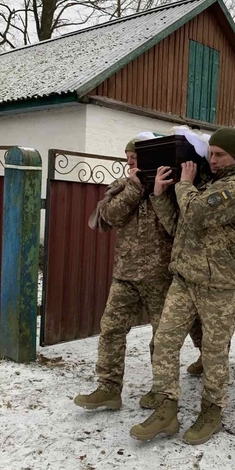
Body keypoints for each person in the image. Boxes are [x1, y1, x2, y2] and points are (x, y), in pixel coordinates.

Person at [130, 128, 235, 445]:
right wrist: (159, 195)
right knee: (164, 343)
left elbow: (197, 213)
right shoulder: (204, 185)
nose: (212, 160)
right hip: (185, 279)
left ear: (234, 156)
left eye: (219, 155)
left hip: (218, 286)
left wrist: (184, 184)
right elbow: (179, 226)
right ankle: (167, 407)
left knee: (213, 353)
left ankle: (212, 410)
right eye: (210, 153)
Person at [74, 138, 177, 411]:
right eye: (127, 156)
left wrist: (158, 192)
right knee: (111, 329)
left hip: (159, 275)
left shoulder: (170, 186)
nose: (130, 161)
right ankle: (108, 388)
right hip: (126, 274)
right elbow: (109, 216)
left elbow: (176, 226)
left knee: (163, 336)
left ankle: (161, 389)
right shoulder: (122, 186)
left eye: (134, 156)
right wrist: (134, 187)